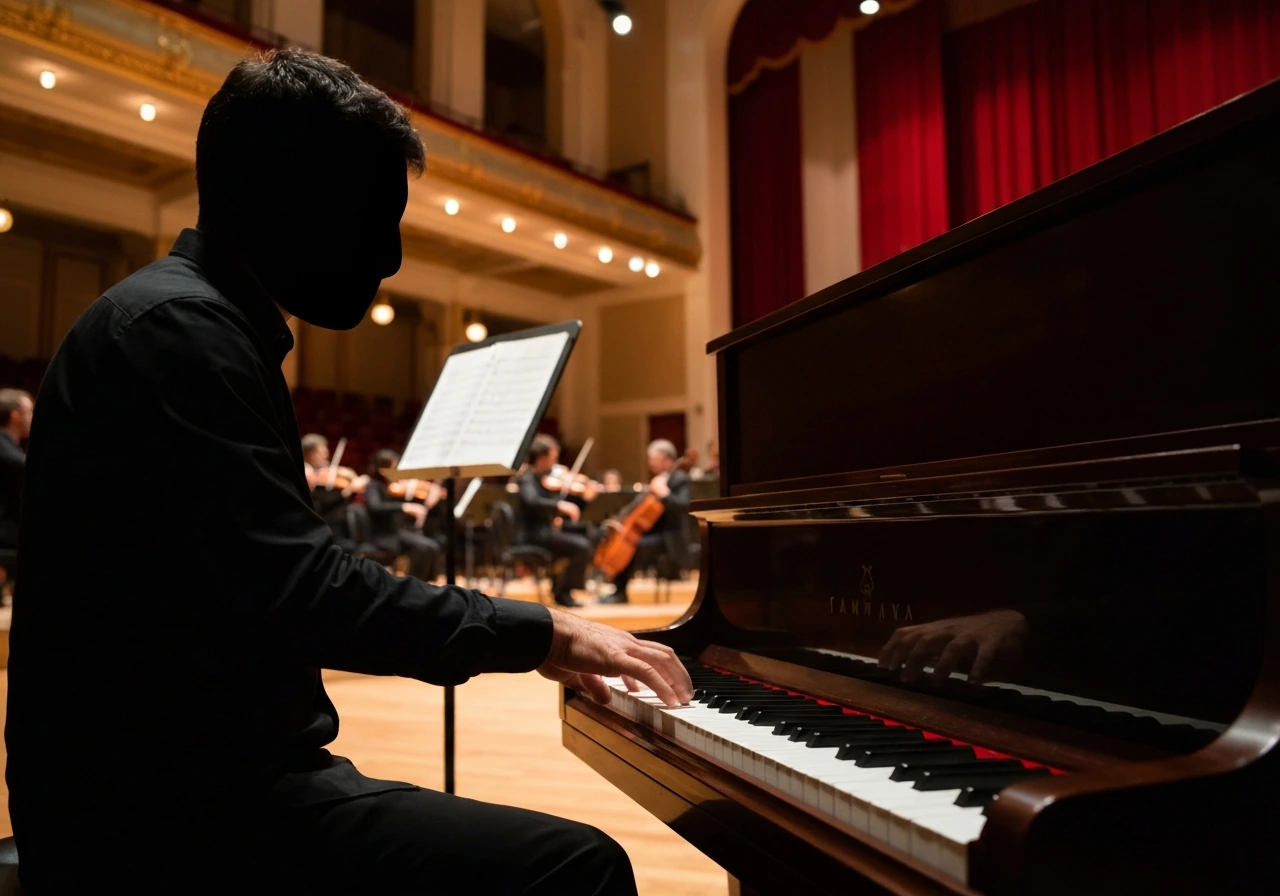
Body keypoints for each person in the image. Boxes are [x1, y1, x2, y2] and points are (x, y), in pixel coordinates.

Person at [5, 48, 691, 896]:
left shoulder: (187, 321)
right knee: (576, 869)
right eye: (376, 217)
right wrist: (543, 632)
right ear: (287, 202)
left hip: (185, 780)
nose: (394, 257)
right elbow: (306, 592)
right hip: (164, 815)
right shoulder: (179, 332)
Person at [599, 439, 691, 605]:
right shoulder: (658, 479)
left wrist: (664, 494)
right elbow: (637, 506)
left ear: (667, 459)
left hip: (670, 535)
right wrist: (620, 518)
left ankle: (620, 591)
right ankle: (617, 589)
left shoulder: (680, 479)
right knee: (629, 540)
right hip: (651, 532)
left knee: (635, 545)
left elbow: (683, 506)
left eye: (654, 459)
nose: (650, 463)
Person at [518, 434, 594, 608]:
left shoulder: (542, 478)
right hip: (535, 534)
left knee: (586, 531)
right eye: (553, 458)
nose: (555, 463)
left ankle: (561, 584)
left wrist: (583, 499)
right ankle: (564, 592)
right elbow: (531, 501)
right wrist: (559, 505)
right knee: (581, 546)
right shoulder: (526, 477)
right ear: (542, 457)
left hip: (548, 529)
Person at [364, 448, 442, 582]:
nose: (396, 471)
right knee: (425, 547)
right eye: (393, 467)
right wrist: (404, 506)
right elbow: (375, 507)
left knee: (432, 547)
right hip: (384, 535)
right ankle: (415, 584)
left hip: (399, 531)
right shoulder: (373, 486)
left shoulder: (391, 485)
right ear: (383, 468)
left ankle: (423, 584)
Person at [0, 388, 32, 554]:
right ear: (15, 415)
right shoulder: (4, 448)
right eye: (30, 411)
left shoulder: (9, 446)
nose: (33, 417)